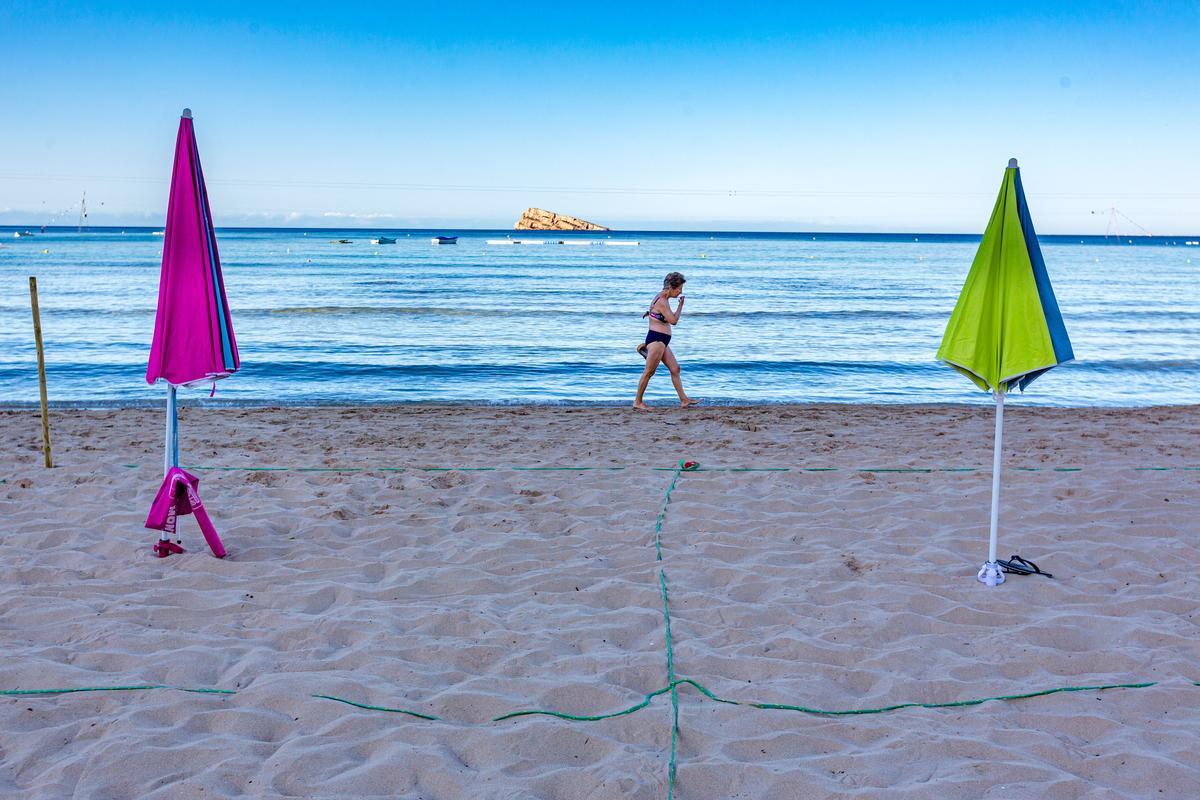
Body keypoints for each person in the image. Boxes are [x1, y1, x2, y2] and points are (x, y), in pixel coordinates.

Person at [633, 272, 700, 410]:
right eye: (679, 290)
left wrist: (649, 314)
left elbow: (654, 311)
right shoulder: (663, 301)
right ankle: (638, 402)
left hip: (662, 340)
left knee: (675, 368)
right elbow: (674, 321)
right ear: (671, 287)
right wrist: (681, 306)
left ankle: (684, 400)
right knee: (649, 372)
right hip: (657, 340)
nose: (680, 292)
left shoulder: (660, 297)